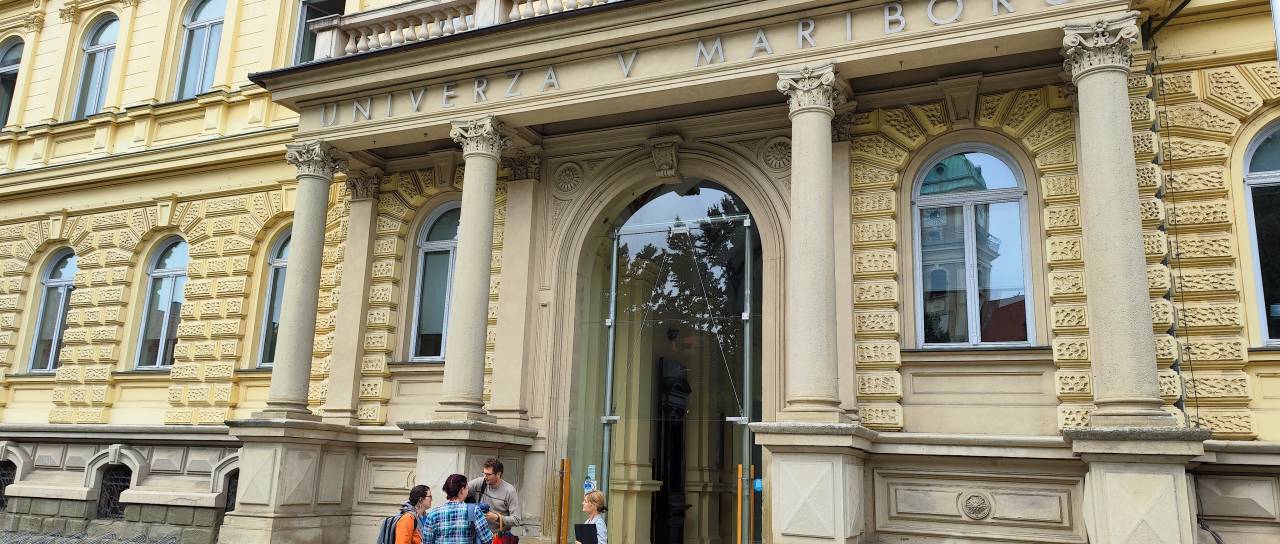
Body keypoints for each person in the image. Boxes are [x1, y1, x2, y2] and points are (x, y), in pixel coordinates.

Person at [423, 474, 493, 544]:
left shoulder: (433, 514)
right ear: (462, 490)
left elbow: (427, 541)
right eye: (467, 488)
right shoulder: (473, 510)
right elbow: (487, 539)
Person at [467, 458, 521, 535]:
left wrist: (497, 518)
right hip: (479, 534)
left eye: (488, 474)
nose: (485, 477)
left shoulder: (509, 491)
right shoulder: (480, 482)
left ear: (498, 474)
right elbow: (461, 492)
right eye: (484, 473)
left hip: (498, 536)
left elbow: (516, 520)